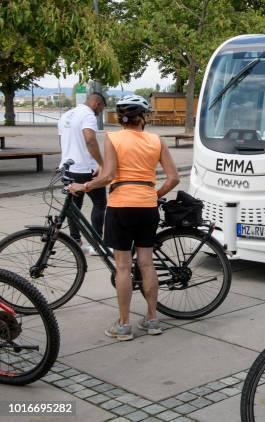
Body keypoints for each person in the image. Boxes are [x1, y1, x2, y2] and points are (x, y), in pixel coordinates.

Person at [69, 95, 180, 341]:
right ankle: (152, 320)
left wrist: (83, 186)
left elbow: (108, 176)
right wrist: (153, 194)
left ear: (120, 119)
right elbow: (173, 178)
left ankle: (124, 325)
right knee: (146, 263)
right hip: (146, 206)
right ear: (143, 117)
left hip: (121, 205)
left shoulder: (113, 138)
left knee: (122, 266)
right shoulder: (156, 140)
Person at [58, 92, 107, 255]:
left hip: (68, 168)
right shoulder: (88, 115)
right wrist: (101, 163)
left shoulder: (65, 115)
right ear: (97, 104)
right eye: (101, 109)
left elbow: (63, 142)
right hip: (86, 169)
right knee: (100, 204)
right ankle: (96, 243)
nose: (100, 113)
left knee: (74, 207)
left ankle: (75, 241)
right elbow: (90, 140)